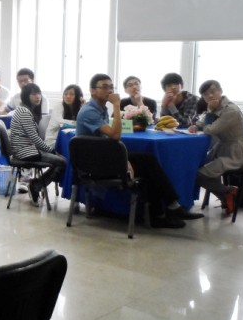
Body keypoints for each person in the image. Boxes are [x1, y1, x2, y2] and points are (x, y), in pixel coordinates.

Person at [76, 74, 201, 228]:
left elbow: (108, 140)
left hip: (103, 157)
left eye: (111, 87)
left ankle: (167, 209)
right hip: (94, 165)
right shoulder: (90, 111)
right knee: (148, 164)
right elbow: (115, 135)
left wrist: (123, 158)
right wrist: (117, 105)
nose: (110, 90)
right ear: (92, 91)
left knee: (148, 160)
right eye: (104, 87)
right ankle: (165, 212)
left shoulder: (100, 109)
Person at [189, 80, 243, 214]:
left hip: (236, 152)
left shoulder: (231, 110)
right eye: (206, 94)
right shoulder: (216, 107)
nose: (210, 96)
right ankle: (227, 196)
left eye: (213, 91)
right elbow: (202, 124)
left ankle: (228, 192)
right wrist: (195, 126)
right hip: (222, 148)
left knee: (199, 175)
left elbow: (210, 130)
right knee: (194, 167)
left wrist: (209, 113)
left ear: (220, 91)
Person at [10, 84, 67, 206]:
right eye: (34, 94)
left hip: (27, 149)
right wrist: (50, 150)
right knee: (62, 162)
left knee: (61, 159)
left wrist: (48, 150)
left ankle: (37, 184)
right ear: (26, 96)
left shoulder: (24, 109)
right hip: (25, 151)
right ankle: (36, 185)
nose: (38, 97)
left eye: (39, 93)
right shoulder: (24, 112)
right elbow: (35, 138)